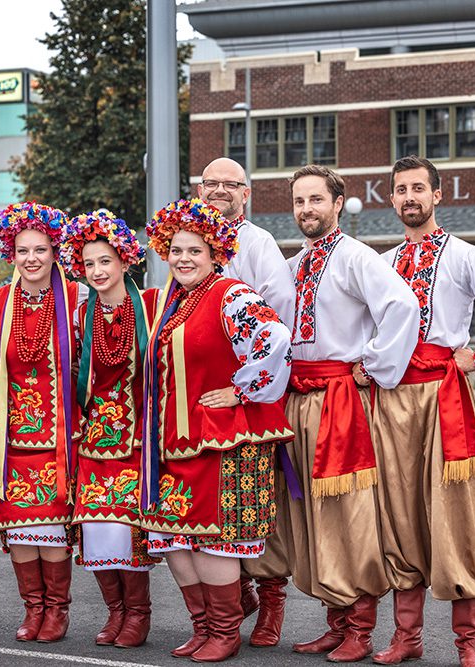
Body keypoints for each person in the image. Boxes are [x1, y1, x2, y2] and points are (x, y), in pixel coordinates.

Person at [371, 156, 475, 667]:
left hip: (444, 395)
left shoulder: (466, 257)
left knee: (456, 514)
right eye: (401, 190)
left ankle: (471, 643)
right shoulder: (380, 263)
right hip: (394, 396)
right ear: (393, 199)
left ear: (438, 195)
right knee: (399, 515)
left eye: (418, 188)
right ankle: (407, 636)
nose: (409, 197)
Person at [141, 198, 294, 662]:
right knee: (172, 536)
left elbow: (275, 339)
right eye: (176, 250)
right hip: (175, 439)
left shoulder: (231, 293)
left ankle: (225, 631)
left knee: (212, 537)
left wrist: (241, 390)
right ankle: (204, 625)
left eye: (195, 251)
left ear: (215, 254)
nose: (183, 259)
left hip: (220, 438)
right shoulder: (175, 301)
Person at [283, 165, 419, 663]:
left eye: (316, 199)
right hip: (298, 398)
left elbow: (401, 306)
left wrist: (373, 366)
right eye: (299, 201)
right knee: (310, 516)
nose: (307, 209)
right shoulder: (294, 264)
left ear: (338, 203)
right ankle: (335, 621)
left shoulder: (356, 256)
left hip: (340, 401)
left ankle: (360, 627)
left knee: (349, 513)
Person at [198, 156, 296, 647]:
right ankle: (236, 595)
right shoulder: (192, 243)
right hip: (203, 398)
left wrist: (247, 383)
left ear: (246, 193)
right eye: (209, 183)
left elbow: (280, 315)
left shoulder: (256, 242)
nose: (218, 191)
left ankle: (270, 600)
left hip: (250, 393)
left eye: (228, 185)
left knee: (257, 504)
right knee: (214, 503)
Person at [59, 209, 156, 648]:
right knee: (96, 530)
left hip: (136, 437)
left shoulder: (151, 306)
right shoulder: (80, 315)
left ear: (125, 261)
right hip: (95, 436)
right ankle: (115, 612)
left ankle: (137, 614)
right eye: (89, 264)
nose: (97, 271)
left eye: (105, 261)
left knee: (125, 529)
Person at [0, 202, 80, 643]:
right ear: (12, 253)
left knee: (52, 528)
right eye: (23, 250)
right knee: (20, 526)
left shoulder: (77, 299)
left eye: (40, 250)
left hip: (61, 435)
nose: (31, 259)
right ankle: (34, 608)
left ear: (54, 251)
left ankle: (57, 610)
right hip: (11, 438)